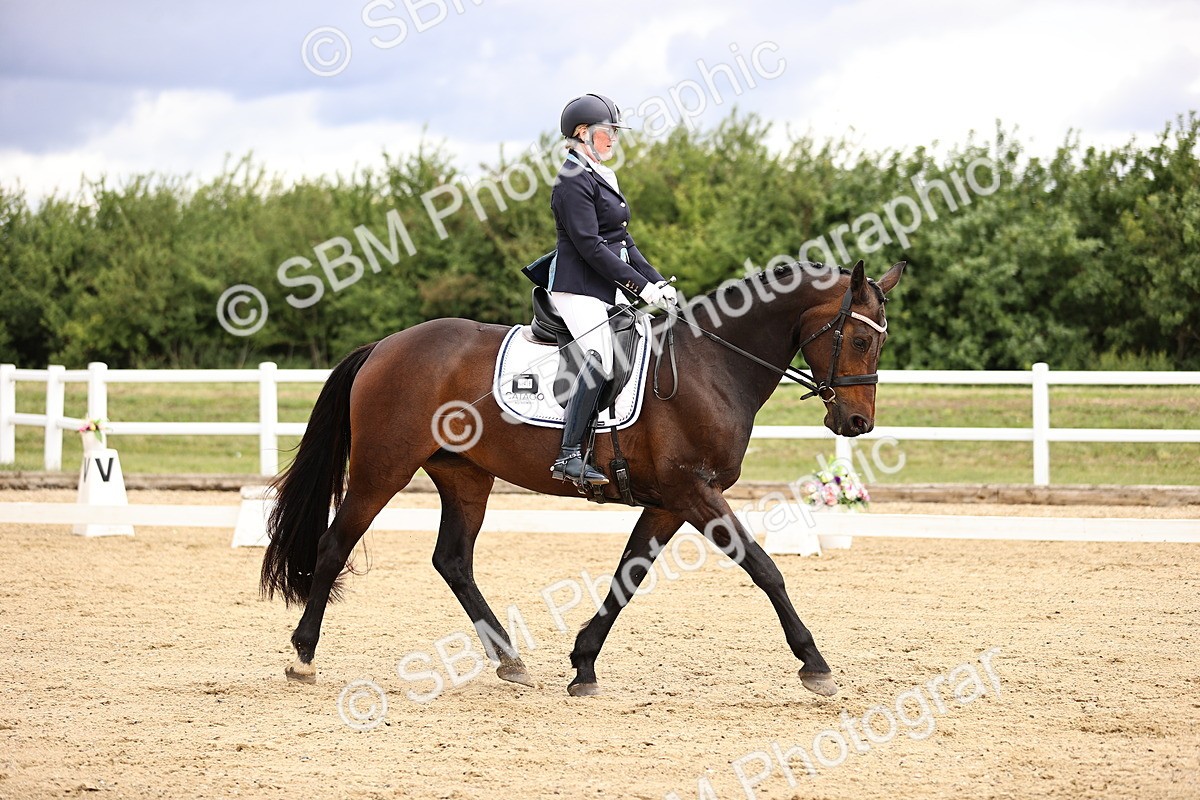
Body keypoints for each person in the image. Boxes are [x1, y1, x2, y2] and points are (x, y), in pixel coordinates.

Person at [547, 92, 678, 485]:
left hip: (604, 287)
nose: (614, 139)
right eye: (609, 132)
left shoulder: (601, 175)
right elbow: (589, 246)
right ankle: (568, 456)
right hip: (576, 288)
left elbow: (624, 241)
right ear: (583, 133)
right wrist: (638, 286)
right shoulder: (571, 181)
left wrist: (655, 281)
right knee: (601, 356)